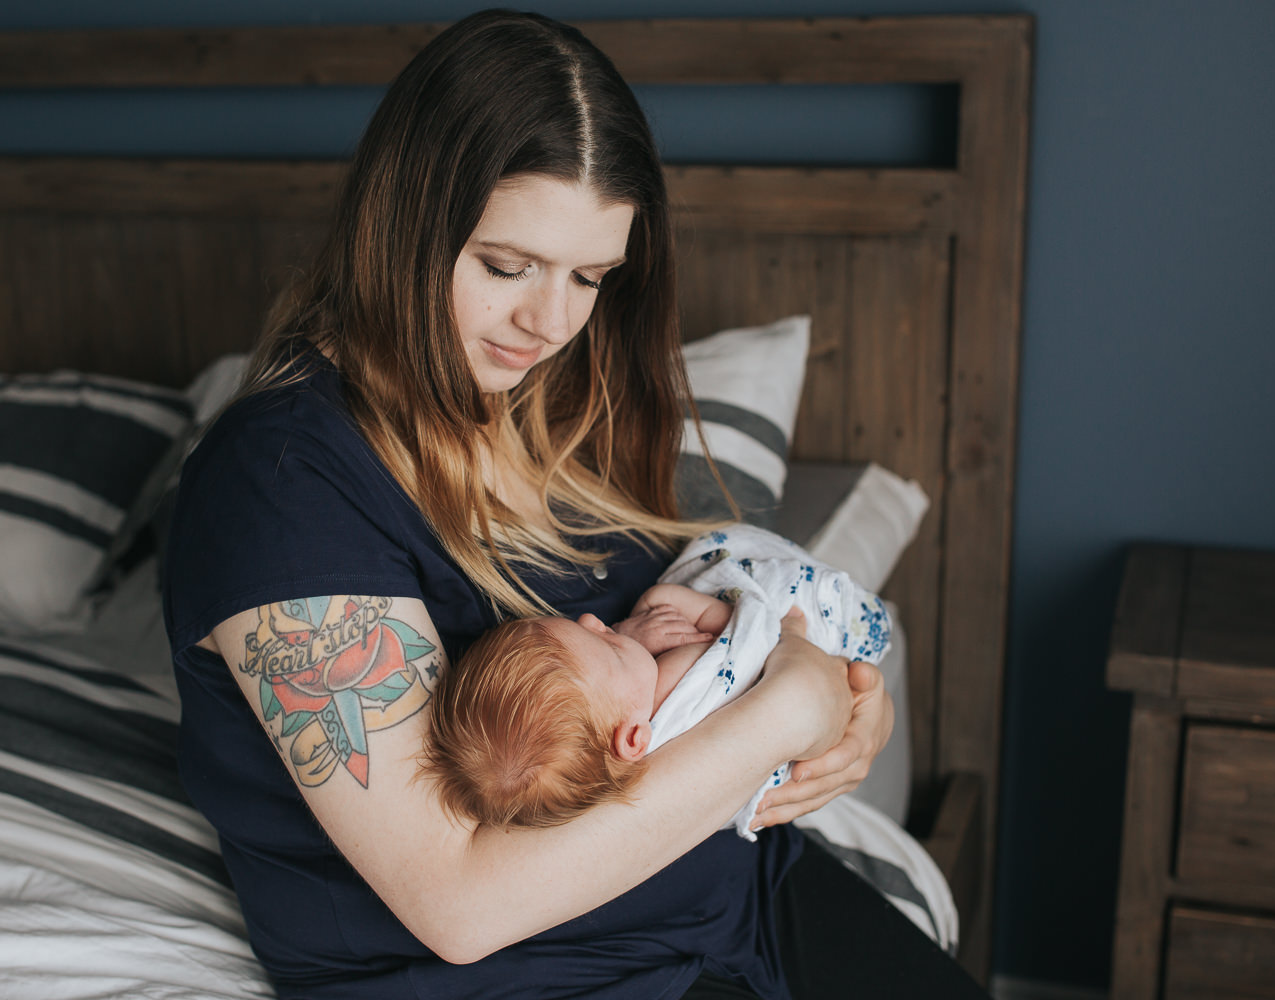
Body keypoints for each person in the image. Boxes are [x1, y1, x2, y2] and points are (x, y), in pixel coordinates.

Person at [163, 9, 988, 999]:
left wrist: (855, 709)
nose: (548, 321)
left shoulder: (552, 404)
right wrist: (790, 709)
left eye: (591, 275)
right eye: (506, 266)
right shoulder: (283, 480)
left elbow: (704, 635)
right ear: (402, 226)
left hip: (744, 906)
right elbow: (460, 905)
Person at [425, 525, 894, 838]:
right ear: (633, 737)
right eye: (609, 643)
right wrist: (660, 600)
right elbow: (743, 630)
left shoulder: (619, 725)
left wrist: (626, 643)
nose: (593, 620)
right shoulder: (675, 686)